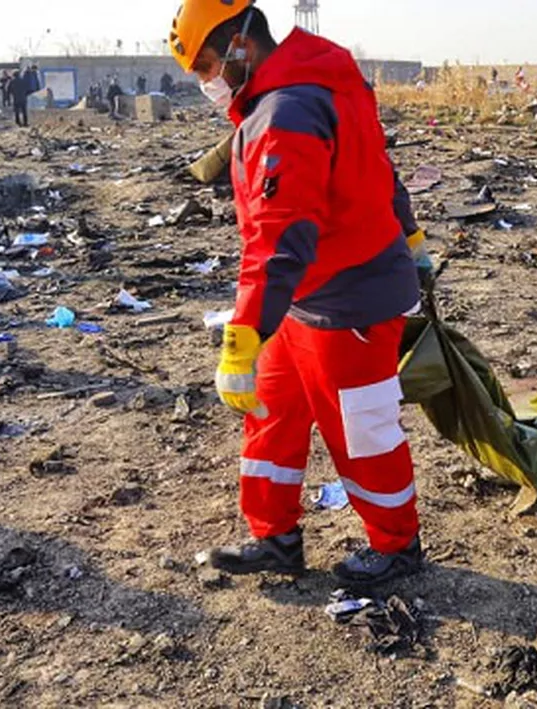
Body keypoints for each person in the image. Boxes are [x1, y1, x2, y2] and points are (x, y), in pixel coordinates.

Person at [169, 0, 426, 584]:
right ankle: (275, 536)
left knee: (361, 431)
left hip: (350, 296)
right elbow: (375, 164)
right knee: (270, 411)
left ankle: (397, 544)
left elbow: (280, 235)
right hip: (304, 298)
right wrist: (408, 228)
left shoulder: (286, 109)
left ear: (240, 41)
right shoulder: (315, 77)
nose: (208, 80)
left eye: (208, 63)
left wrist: (243, 333)